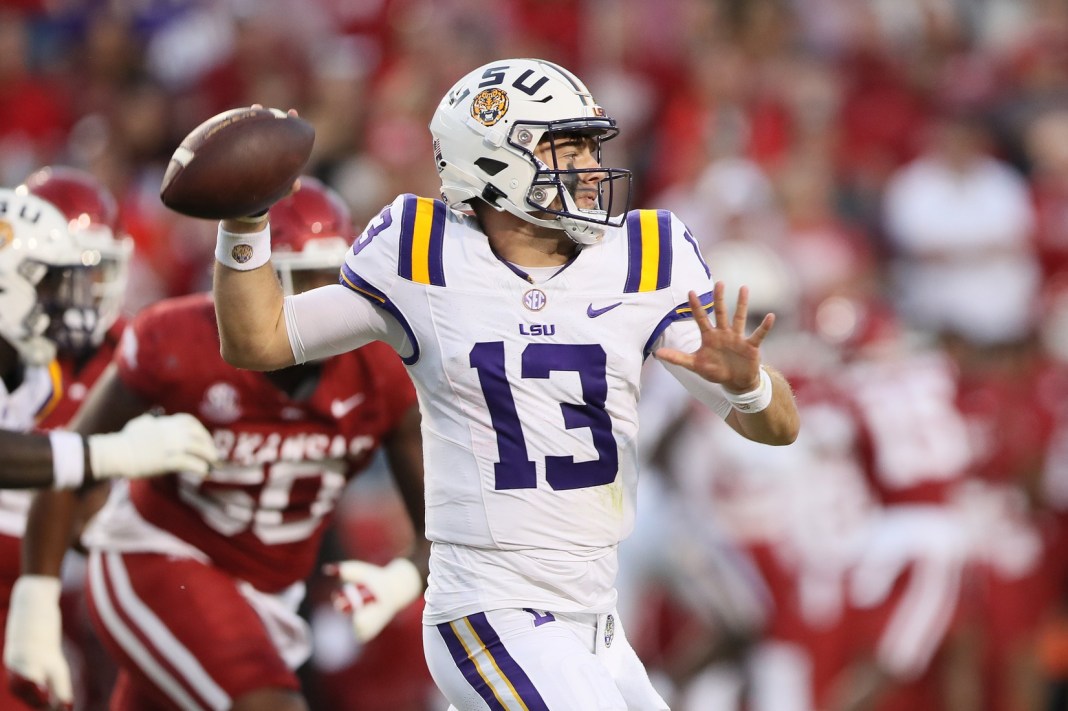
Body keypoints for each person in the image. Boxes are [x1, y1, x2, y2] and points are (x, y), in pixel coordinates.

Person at [212, 58, 800, 710]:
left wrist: (749, 387)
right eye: (564, 146)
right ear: (493, 160)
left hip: (596, 619)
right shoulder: (421, 251)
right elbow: (260, 340)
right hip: (490, 607)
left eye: (588, 146)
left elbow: (778, 430)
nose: (586, 166)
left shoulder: (646, 255)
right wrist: (245, 223)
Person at [7, 177, 428, 711]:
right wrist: (38, 599)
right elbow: (73, 463)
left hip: (271, 597)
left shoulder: (382, 369)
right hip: (158, 557)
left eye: (337, 281)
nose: (326, 304)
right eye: (304, 281)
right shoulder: (179, 342)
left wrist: (401, 577)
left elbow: (443, 523)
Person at [0, 185, 218, 711]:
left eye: (91, 275)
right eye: (60, 278)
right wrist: (103, 456)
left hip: (83, 576)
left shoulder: (126, 354)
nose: (82, 294)